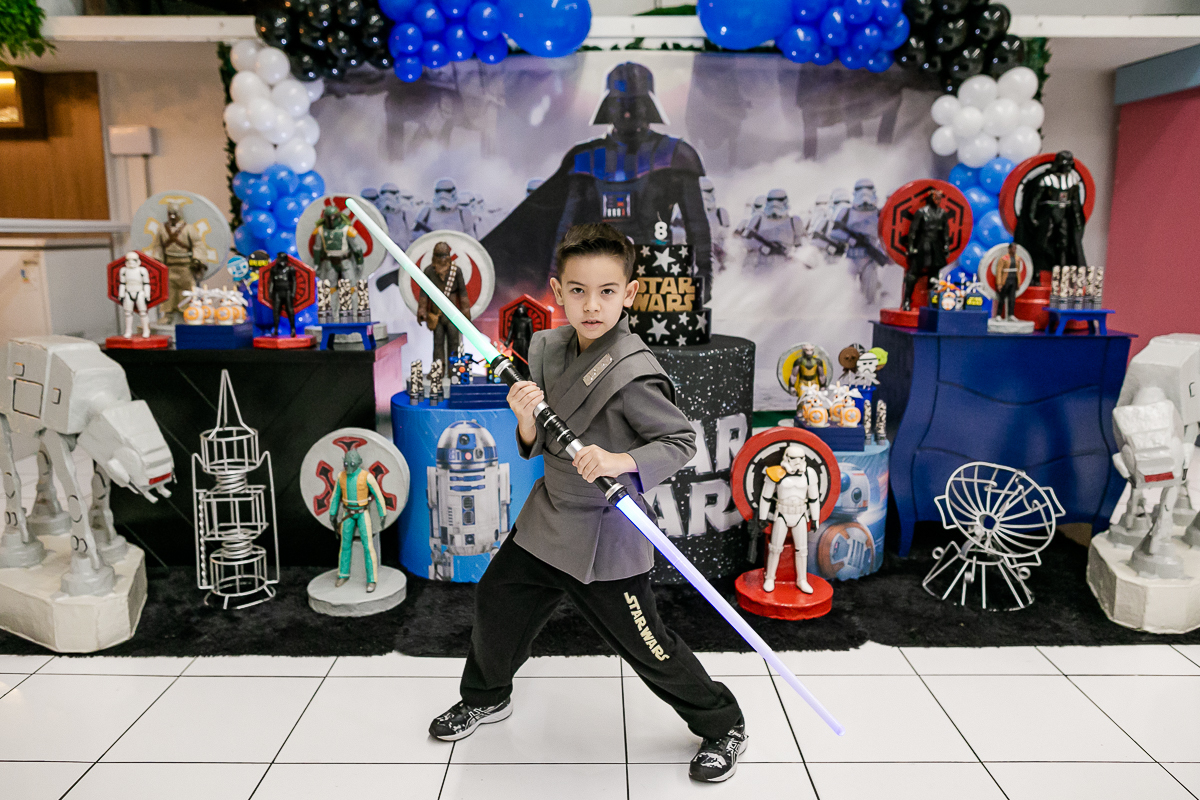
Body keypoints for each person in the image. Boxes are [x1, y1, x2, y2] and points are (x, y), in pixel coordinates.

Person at [428, 223, 748, 783]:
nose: (591, 304)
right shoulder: (546, 347)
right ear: (558, 290)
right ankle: (487, 694)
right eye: (578, 290)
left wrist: (619, 461)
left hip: (607, 533)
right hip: (548, 516)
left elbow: (680, 443)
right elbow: (536, 445)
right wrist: (525, 419)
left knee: (648, 646)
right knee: (497, 602)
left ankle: (723, 724)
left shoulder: (635, 372)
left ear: (629, 294)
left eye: (606, 291)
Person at [329, 447, 385, 593]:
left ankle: (372, 579)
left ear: (357, 463)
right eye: (346, 464)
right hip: (347, 513)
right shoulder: (341, 476)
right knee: (345, 544)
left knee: (368, 546)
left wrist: (382, 512)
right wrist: (333, 512)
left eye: (350, 464)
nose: (348, 467)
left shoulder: (367, 476)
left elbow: (378, 495)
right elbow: (335, 496)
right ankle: (343, 574)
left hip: (362, 513)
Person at [417, 241, 470, 369]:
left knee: (454, 342)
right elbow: (424, 294)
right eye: (439, 256)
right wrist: (422, 310)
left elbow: (462, 293)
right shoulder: (429, 271)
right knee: (438, 342)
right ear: (434, 257)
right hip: (436, 314)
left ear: (449, 256)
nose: (442, 259)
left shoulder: (456, 271)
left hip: (452, 315)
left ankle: (455, 369)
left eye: (444, 256)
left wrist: (466, 312)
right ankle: (438, 369)